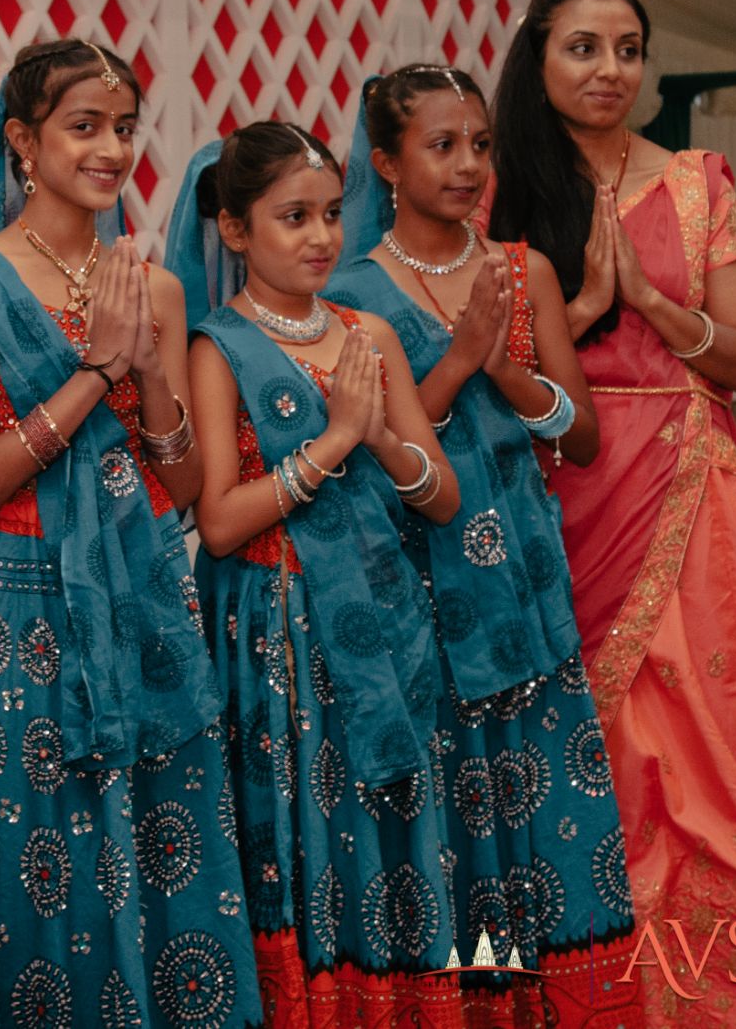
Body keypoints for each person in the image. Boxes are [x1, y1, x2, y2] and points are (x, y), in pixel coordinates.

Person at [487, 0, 736, 1026]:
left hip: (685, 479)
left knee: (714, 738)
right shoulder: (497, 190)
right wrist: (579, 306)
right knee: (577, 736)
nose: (608, 70)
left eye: (626, 48)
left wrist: (651, 303)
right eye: (581, 48)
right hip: (552, 478)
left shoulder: (696, 180)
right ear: (537, 59)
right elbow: (481, 359)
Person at [0, 39, 260, 1028]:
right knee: (43, 859)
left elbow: (187, 481)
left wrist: (149, 366)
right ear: (22, 142)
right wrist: (94, 371)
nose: (110, 148)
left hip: (144, 588)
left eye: (122, 127)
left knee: (167, 841)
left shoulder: (149, 283)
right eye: (83, 127)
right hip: (21, 596)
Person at [325, 69, 643, 1022]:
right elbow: (378, 459)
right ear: (384, 162)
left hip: (528, 578)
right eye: (441, 146)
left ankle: (571, 996)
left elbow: (579, 436)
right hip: (426, 590)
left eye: (479, 144)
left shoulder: (522, 269)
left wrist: (503, 363)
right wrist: (460, 357)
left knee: (552, 806)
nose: (468, 165)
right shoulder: (348, 294)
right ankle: (489, 1003)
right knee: (465, 817)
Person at [177, 118, 476, 1026]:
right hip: (277, 629)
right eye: (291, 217)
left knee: (395, 822)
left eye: (330, 214)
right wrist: (336, 440)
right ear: (235, 230)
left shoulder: (368, 333)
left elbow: (444, 498)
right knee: (305, 829)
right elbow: (220, 523)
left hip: (385, 615)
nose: (318, 238)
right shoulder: (215, 347)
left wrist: (381, 435)